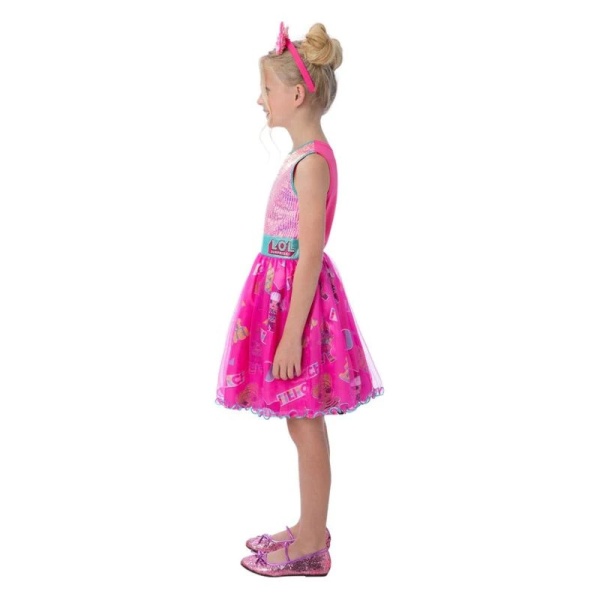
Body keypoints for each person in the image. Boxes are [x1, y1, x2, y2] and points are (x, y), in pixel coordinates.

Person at [215, 21, 384, 577]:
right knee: (298, 419)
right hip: (281, 297)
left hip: (299, 309)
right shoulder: (303, 156)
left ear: (295, 94)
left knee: (306, 421)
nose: (259, 99)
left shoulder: (312, 163)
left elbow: (310, 254)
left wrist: (290, 335)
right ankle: (308, 525)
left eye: (266, 89)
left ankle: (312, 540)